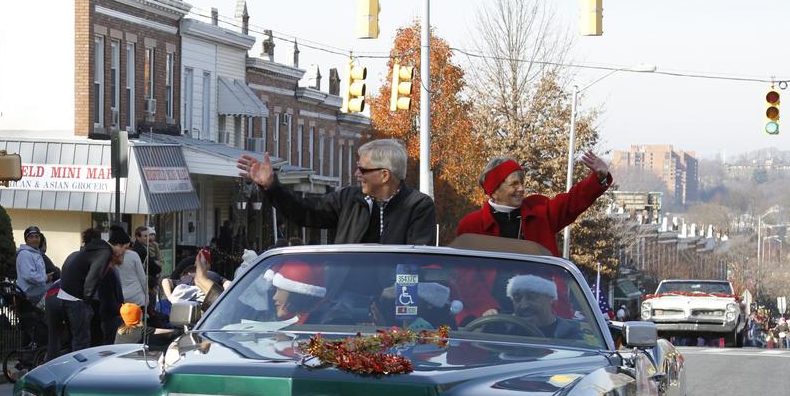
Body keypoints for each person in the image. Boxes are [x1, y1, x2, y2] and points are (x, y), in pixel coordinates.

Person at [237, 139, 436, 245]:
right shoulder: (348, 199)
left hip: (395, 301)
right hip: (346, 300)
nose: (357, 173)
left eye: (363, 169)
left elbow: (416, 257)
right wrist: (272, 186)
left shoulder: (418, 206)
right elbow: (305, 212)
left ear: (385, 175)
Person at [456, 151, 613, 255]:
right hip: (491, 305)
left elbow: (572, 201)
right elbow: (467, 278)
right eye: (514, 184)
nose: (521, 189)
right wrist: (487, 306)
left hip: (542, 302)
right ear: (495, 190)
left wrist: (599, 178)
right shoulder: (471, 225)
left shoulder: (540, 212)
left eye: (522, 183)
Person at [58, 226, 129, 351]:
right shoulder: (105, 253)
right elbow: (94, 276)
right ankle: (81, 369)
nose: (124, 252)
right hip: (77, 297)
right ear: (118, 245)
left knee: (76, 338)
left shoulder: (97, 248)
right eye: (125, 248)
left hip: (67, 293)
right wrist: (87, 301)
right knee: (82, 340)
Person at [15, 225, 51, 306]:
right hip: (28, 291)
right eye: (31, 237)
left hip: (36, 289)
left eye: (37, 237)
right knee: (54, 294)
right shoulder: (25, 254)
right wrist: (45, 278)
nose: (35, 239)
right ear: (26, 240)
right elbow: (29, 276)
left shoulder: (35, 253)